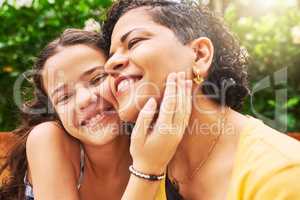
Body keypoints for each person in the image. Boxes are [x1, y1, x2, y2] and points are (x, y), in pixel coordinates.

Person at [102, 0, 300, 199]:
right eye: (111, 55)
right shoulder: (139, 157)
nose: (110, 64)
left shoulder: (282, 175)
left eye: (134, 42)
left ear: (199, 55)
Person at [0, 28, 192, 200]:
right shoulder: (49, 138)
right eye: (64, 97)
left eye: (97, 78)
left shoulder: (161, 134)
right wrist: (147, 167)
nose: (84, 99)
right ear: (55, 113)